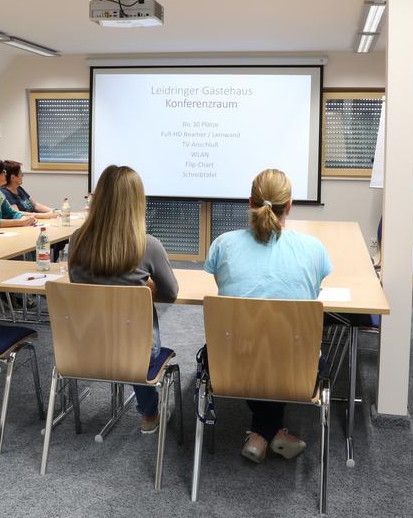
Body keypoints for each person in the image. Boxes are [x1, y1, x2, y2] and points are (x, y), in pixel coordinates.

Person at [203, 168, 332, 464]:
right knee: (277, 347)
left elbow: (223, 288)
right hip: (298, 364)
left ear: (250, 202)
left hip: (230, 360)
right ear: (289, 205)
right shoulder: (313, 249)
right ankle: (271, 433)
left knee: (256, 345)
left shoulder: (223, 244)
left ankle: (260, 434)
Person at [67, 165, 178, 433]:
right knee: (134, 340)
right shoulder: (148, 245)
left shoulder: (76, 240)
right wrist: (146, 288)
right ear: (137, 201)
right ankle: (149, 414)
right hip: (138, 351)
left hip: (86, 344)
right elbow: (170, 293)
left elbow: (77, 286)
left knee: (125, 337)